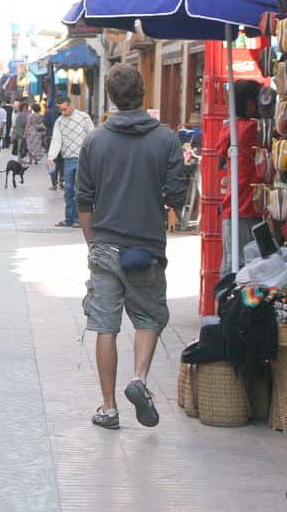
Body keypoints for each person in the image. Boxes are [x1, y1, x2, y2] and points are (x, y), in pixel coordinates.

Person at [75, 65, 187, 430]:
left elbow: (83, 199)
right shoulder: (167, 139)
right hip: (146, 246)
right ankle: (138, 378)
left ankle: (108, 408)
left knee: (105, 326)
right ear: (143, 93)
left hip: (105, 243)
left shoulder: (95, 140)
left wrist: (93, 244)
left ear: (111, 97)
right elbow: (177, 194)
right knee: (148, 317)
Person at [218, 80, 262, 275]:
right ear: (251, 104)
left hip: (234, 205)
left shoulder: (230, 127)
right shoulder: (250, 129)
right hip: (247, 206)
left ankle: (223, 304)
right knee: (244, 267)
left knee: (230, 265)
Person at [47, 95, 95, 227]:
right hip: (68, 159)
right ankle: (69, 218)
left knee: (79, 189)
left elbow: (92, 136)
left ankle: (80, 219)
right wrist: (51, 157)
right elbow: (56, 140)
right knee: (68, 190)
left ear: (71, 104)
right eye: (60, 110)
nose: (63, 112)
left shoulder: (84, 118)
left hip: (83, 159)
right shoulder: (59, 122)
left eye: (65, 109)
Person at [42, 99, 62, 189]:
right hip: (62, 139)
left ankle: (54, 183)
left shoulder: (48, 111)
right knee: (63, 160)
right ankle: (62, 180)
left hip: (51, 137)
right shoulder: (63, 112)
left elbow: (45, 123)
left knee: (52, 160)